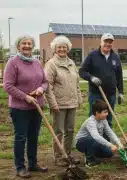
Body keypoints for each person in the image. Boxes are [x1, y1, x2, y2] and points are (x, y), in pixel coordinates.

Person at [3, 36, 48, 178]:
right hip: (20, 108)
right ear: (19, 46)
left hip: (36, 106)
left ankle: (33, 164)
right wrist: (25, 97)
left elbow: (45, 81)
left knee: (34, 136)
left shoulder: (36, 62)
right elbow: (8, 85)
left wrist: (41, 89)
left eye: (30, 43)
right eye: (24, 43)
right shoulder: (13, 63)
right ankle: (20, 167)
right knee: (21, 137)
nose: (27, 46)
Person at [44, 36, 82, 167]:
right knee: (59, 131)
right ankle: (59, 156)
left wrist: (79, 98)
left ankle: (68, 154)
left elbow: (76, 83)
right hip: (58, 103)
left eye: (64, 47)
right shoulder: (51, 64)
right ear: (54, 49)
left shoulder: (71, 63)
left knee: (70, 130)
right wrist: (52, 103)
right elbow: (47, 85)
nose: (62, 49)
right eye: (59, 47)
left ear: (68, 49)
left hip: (72, 102)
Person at [79, 33, 124, 137]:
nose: (108, 44)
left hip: (111, 95)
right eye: (106, 41)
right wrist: (91, 78)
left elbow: (119, 76)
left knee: (108, 120)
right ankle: (92, 144)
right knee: (94, 119)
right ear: (101, 42)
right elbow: (82, 71)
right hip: (96, 94)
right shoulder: (92, 55)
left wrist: (121, 92)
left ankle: (107, 145)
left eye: (110, 42)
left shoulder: (115, 57)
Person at [75, 100, 124, 168]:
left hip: (95, 142)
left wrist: (118, 143)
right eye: (105, 112)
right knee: (93, 139)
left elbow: (109, 131)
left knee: (109, 153)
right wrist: (110, 145)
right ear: (97, 113)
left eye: (107, 112)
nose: (107, 114)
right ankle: (89, 161)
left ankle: (92, 153)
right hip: (81, 143)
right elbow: (96, 137)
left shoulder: (103, 119)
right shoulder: (90, 122)